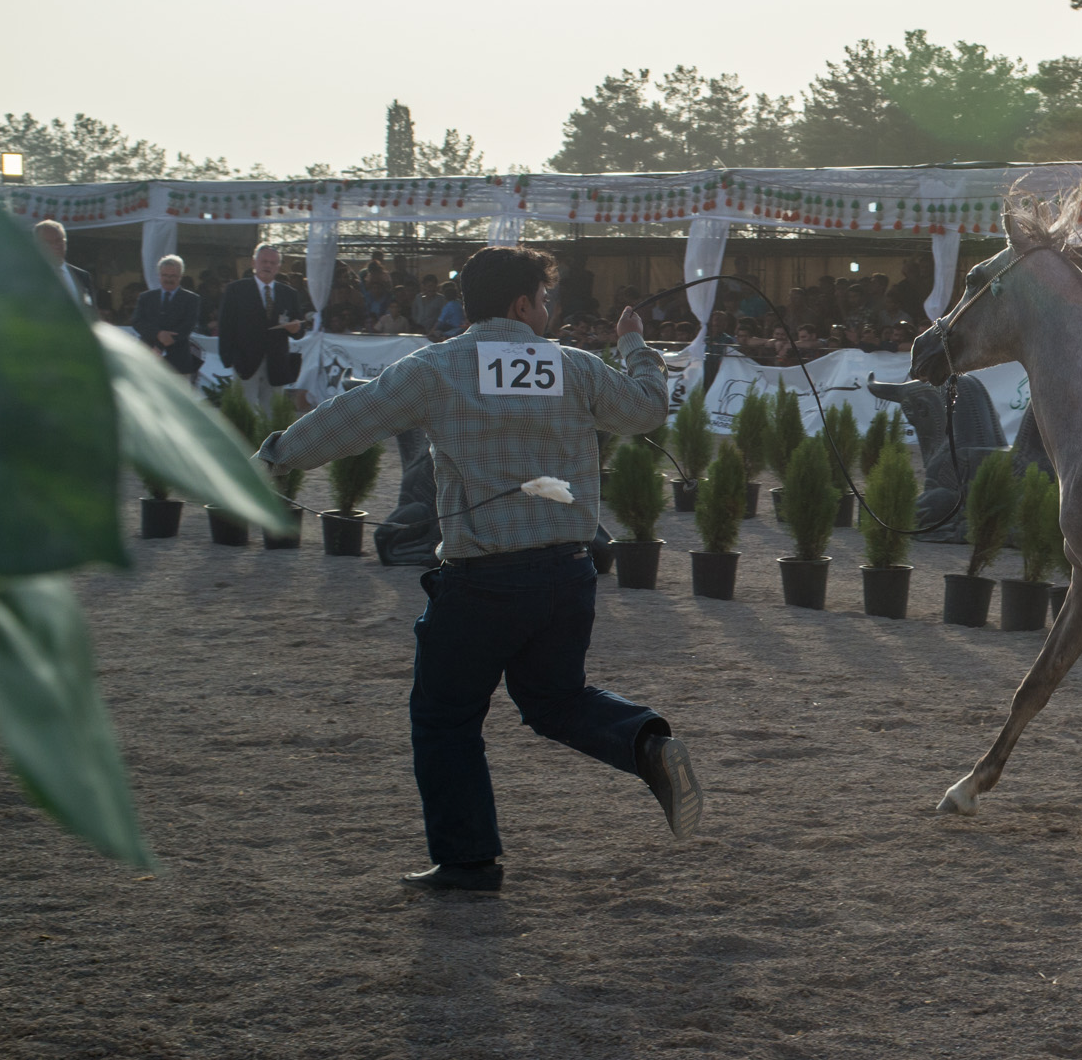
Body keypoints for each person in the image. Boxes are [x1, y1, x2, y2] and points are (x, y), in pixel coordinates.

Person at [255, 245, 699, 894]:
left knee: (445, 716)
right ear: (522, 304)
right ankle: (647, 742)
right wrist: (634, 344)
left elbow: (348, 419)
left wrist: (272, 457)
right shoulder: (573, 367)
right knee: (557, 699)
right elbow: (647, 409)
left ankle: (468, 860)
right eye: (544, 300)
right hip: (568, 573)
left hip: (481, 582)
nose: (547, 310)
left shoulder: (437, 366)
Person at [218, 245, 307, 412]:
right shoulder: (236, 290)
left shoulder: (288, 294)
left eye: (273, 263)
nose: (268, 266)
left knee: (272, 414)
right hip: (245, 362)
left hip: (277, 363)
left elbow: (300, 330)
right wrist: (229, 358)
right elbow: (225, 326)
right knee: (245, 412)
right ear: (254, 262)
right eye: (264, 261)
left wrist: (295, 330)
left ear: (278, 266)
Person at [132, 254, 204, 385]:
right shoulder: (146, 297)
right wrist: (158, 335)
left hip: (178, 362)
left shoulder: (191, 299)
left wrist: (165, 341)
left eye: (173, 276)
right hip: (148, 356)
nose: (168, 279)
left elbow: (189, 325)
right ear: (159, 275)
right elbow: (137, 321)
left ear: (180, 276)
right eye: (165, 275)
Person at [32, 219, 97, 317]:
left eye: (59, 241)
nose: (55, 246)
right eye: (48, 242)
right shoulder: (30, 276)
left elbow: (91, 310)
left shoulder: (82, 276)